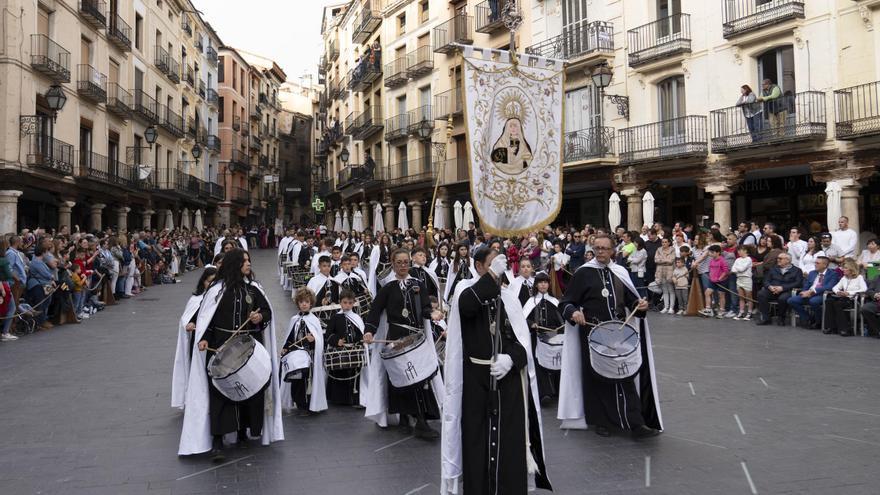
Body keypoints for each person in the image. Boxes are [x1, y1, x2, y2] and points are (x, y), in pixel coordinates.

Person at [441, 249, 552, 495]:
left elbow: (523, 344)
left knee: (509, 444)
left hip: (507, 382)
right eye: (492, 264)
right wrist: (492, 275)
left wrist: (511, 359)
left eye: (500, 264)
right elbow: (468, 307)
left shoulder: (509, 297)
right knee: (477, 442)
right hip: (476, 381)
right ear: (479, 266)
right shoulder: (465, 290)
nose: (499, 269)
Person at [179, 249, 284, 461]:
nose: (248, 264)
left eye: (249, 261)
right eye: (244, 261)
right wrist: (205, 337)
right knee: (220, 395)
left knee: (247, 391)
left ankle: (243, 432)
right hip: (219, 349)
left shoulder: (253, 289)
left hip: (245, 350)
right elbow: (205, 318)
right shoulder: (216, 290)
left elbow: (267, 312)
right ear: (234, 264)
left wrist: (258, 317)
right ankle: (217, 441)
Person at [558, 234, 662, 439]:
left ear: (613, 250)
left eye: (604, 248)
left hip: (620, 333)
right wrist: (573, 312)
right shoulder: (583, 273)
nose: (600, 252)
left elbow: (632, 301)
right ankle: (601, 421)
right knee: (599, 377)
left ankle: (636, 423)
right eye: (597, 248)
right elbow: (566, 302)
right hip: (593, 333)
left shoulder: (620, 272)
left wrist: (640, 306)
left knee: (626, 374)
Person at [363, 248, 444, 439]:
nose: (402, 266)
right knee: (402, 377)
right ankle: (408, 417)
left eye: (405, 262)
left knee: (420, 378)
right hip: (397, 338)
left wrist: (432, 314)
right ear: (392, 264)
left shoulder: (418, 285)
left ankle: (420, 419)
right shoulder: (388, 288)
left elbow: (425, 308)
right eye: (398, 262)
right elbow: (375, 311)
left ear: (409, 263)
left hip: (416, 337)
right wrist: (369, 331)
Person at [172, 267, 218, 409]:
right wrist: (190, 323)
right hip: (199, 342)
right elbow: (187, 319)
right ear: (203, 282)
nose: (211, 285)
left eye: (214, 282)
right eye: (209, 281)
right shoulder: (196, 299)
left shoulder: (220, 297)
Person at [280, 287, 327, 415]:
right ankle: (297, 401)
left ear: (311, 303)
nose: (304, 304)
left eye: (306, 302)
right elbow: (289, 338)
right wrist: (285, 348)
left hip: (308, 356)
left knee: (304, 381)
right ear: (298, 304)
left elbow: (319, 340)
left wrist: (313, 340)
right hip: (295, 355)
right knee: (295, 380)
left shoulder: (314, 320)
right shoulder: (294, 320)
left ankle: (304, 404)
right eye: (301, 302)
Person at [524, 271, 564, 402]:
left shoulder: (554, 301)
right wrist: (532, 324)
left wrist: (559, 327)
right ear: (536, 285)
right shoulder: (531, 302)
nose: (543, 285)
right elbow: (523, 319)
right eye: (540, 282)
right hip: (538, 338)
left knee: (557, 362)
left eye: (545, 282)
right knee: (540, 364)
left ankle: (559, 391)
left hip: (554, 337)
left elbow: (561, 319)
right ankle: (545, 393)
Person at [324, 289, 367, 406]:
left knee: (355, 373)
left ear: (353, 303)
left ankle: (355, 398)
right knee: (340, 373)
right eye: (344, 302)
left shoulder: (357, 318)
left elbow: (361, 334)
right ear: (340, 302)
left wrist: (360, 341)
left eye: (350, 303)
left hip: (354, 351)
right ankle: (340, 399)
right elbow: (328, 335)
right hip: (339, 353)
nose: (347, 305)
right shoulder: (335, 318)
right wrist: (336, 341)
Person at [789, 256, 841, 329]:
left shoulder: (833, 274)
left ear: (825, 265)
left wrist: (812, 292)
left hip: (821, 294)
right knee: (791, 300)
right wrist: (804, 292)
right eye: (815, 263)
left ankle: (818, 321)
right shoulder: (812, 273)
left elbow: (829, 287)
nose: (815, 264)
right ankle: (808, 318)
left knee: (813, 301)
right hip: (808, 293)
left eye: (817, 263)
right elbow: (806, 284)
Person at [755, 253, 803, 326]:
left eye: (780, 258)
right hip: (772, 290)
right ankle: (766, 318)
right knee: (761, 294)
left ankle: (781, 317)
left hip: (787, 290)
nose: (778, 260)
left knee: (783, 298)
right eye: (778, 258)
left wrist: (782, 288)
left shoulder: (796, 270)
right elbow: (766, 280)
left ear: (788, 260)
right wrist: (770, 287)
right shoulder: (773, 269)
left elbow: (798, 283)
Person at [822, 258, 867, 336]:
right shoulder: (844, 278)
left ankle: (846, 329)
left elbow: (864, 289)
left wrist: (849, 293)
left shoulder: (859, 278)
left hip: (853, 299)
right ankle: (830, 327)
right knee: (828, 301)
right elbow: (834, 288)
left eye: (845, 268)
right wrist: (838, 292)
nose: (843, 270)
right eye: (843, 268)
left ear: (851, 269)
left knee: (838, 304)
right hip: (842, 298)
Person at [700, 245, 729, 318]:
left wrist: (720, 278)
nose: (710, 254)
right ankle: (708, 309)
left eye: (712, 252)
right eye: (710, 252)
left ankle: (722, 311)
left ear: (718, 252)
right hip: (712, 281)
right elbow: (711, 270)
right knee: (707, 293)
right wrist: (711, 277)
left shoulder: (722, 261)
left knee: (721, 295)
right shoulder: (711, 260)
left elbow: (725, 271)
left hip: (721, 281)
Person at [731, 245, 754, 320]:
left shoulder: (748, 259)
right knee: (741, 297)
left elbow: (742, 269)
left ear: (745, 251)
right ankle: (741, 312)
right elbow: (733, 269)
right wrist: (738, 269)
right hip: (739, 279)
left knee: (748, 298)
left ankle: (749, 312)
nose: (738, 252)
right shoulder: (737, 260)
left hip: (747, 279)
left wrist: (737, 268)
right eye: (738, 250)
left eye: (740, 250)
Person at [654, 237, 676, 313]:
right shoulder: (658, 249)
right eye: (663, 242)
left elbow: (671, 260)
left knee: (671, 289)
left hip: (669, 271)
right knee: (664, 290)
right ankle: (666, 307)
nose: (664, 243)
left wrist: (662, 260)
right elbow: (656, 260)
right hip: (660, 271)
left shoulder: (672, 249)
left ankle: (671, 308)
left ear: (669, 243)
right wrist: (665, 260)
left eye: (665, 242)